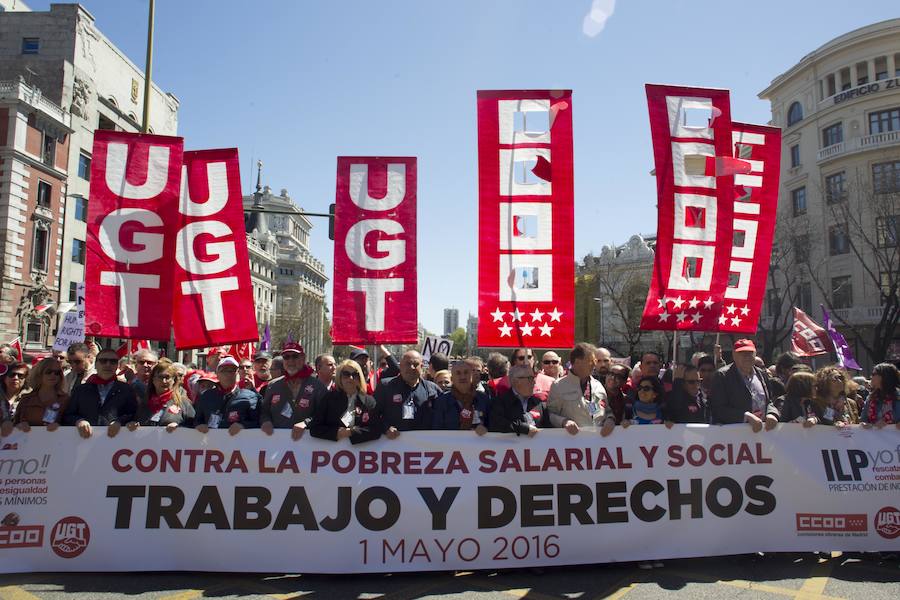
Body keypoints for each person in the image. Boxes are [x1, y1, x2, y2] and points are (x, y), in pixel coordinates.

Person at [62, 347, 138, 438]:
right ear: (96, 364)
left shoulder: (127, 390)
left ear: (117, 365)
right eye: (103, 361)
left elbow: (133, 415)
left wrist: (120, 422)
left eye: (113, 361)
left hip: (116, 443)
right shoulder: (81, 390)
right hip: (85, 442)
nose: (108, 364)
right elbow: (68, 415)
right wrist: (79, 421)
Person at [708, 339, 781, 431]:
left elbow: (769, 401)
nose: (747, 357)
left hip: (761, 435)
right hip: (734, 436)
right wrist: (745, 416)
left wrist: (772, 413)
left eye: (750, 353)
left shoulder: (762, 374)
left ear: (755, 354)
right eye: (742, 353)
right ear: (734, 355)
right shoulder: (722, 376)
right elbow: (717, 408)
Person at [260, 342, 326, 440]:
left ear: (303, 358)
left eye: (295, 356)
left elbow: (324, 415)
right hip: (276, 444)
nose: (290, 360)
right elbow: (264, 411)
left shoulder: (318, 386)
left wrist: (306, 423)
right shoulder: (273, 386)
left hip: (308, 446)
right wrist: (265, 421)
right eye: (286, 357)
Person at [548, 343, 615, 436]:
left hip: (598, 443)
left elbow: (607, 411)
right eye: (591, 360)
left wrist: (610, 420)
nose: (595, 364)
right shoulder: (559, 386)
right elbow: (550, 414)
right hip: (572, 444)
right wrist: (564, 422)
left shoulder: (598, 385)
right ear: (577, 362)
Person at [310, 360, 382, 444]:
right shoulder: (328, 399)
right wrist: (336, 433)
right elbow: (315, 428)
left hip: (359, 454)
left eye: (355, 375)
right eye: (346, 374)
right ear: (339, 377)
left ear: (360, 378)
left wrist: (352, 432)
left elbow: (376, 430)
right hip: (331, 452)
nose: (350, 378)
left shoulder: (369, 401)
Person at [375, 350, 441, 438]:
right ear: (400, 366)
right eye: (407, 364)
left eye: (415, 364)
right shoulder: (385, 386)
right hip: (393, 446)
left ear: (421, 367)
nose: (411, 367)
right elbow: (372, 415)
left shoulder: (433, 389)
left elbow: (443, 417)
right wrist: (385, 428)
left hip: (424, 446)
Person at [195, 357, 259, 435]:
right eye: (224, 370)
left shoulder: (250, 396)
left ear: (237, 373)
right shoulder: (206, 396)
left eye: (232, 371)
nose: (228, 374)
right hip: (211, 444)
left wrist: (243, 426)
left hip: (238, 444)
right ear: (217, 374)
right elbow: (196, 420)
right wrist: (199, 426)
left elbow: (258, 422)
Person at [131, 360, 195, 431]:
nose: (164, 381)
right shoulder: (145, 403)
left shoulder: (183, 402)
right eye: (160, 377)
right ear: (153, 379)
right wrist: (132, 424)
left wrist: (179, 426)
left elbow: (194, 424)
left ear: (174, 380)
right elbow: (135, 421)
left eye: (167, 377)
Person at [489, 364, 549, 435]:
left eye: (534, 378)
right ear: (515, 381)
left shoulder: (539, 404)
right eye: (530, 378)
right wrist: (522, 428)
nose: (534, 382)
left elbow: (549, 429)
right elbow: (496, 424)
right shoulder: (499, 402)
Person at [432, 360, 490, 433]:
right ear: (452, 379)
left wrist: (486, 430)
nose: (462, 377)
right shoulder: (441, 402)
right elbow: (436, 432)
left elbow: (492, 427)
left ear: (471, 376)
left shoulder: (483, 399)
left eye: (466, 372)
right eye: (458, 373)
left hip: (478, 443)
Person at [12, 357, 68, 431]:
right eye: (49, 372)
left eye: (57, 373)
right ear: (39, 374)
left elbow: (71, 424)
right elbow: (14, 425)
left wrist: (60, 426)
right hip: (28, 441)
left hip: (57, 441)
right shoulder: (26, 399)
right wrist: (19, 426)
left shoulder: (66, 399)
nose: (53, 375)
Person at [861, 362, 899, 428]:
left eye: (873, 374)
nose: (871, 377)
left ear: (883, 377)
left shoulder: (898, 397)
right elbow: (863, 419)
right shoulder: (871, 397)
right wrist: (864, 424)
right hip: (874, 437)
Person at [1, 362, 29, 436]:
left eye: (20, 376)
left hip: (22, 439)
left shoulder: (30, 397)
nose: (15, 378)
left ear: (25, 379)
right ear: (4, 377)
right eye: (11, 375)